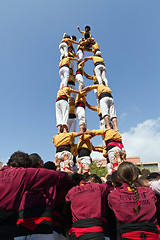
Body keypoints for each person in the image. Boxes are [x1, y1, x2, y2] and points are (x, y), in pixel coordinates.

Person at [0, 151, 69, 240]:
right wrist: (67, 170)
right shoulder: (23, 174)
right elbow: (57, 176)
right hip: (38, 227)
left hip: (19, 229)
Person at [108, 162, 160, 239]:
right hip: (152, 236)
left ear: (119, 178)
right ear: (136, 176)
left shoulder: (114, 195)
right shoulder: (149, 192)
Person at [66, 174, 111, 240]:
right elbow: (109, 187)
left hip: (76, 233)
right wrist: (106, 181)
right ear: (93, 179)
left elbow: (66, 201)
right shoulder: (97, 187)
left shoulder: (72, 190)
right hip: (93, 232)